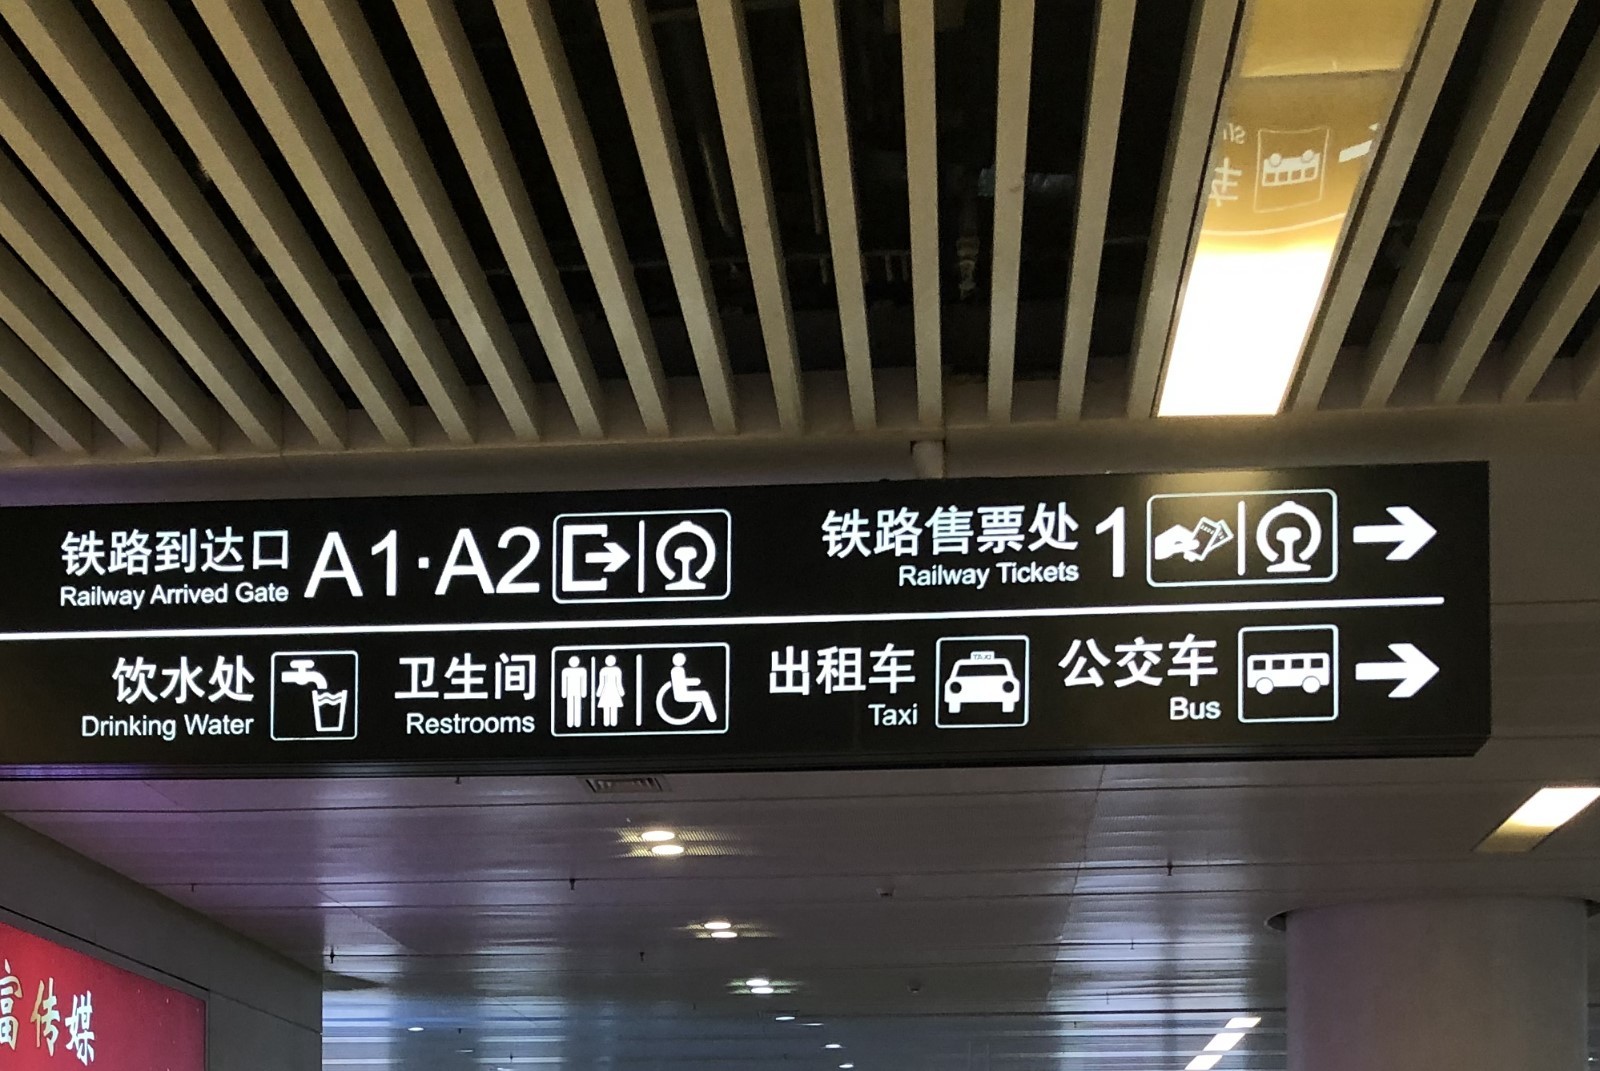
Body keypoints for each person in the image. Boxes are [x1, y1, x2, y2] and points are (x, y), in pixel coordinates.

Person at [665, 652, 716, 723]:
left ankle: (712, 718)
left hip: (683, 693)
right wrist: (695, 681)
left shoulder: (678, 670)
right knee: (704, 695)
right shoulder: (677, 671)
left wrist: (695, 681)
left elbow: (682, 682)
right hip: (681, 695)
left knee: (704, 694)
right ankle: (712, 718)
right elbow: (679, 682)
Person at [597, 655, 626, 728]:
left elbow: (618, 682)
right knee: (606, 706)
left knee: (613, 706)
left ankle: (613, 722)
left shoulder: (617, 670)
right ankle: (606, 722)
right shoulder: (603, 670)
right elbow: (602, 683)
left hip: (613, 690)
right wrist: (599, 692)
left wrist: (621, 691)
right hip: (606, 691)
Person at [560, 656, 588, 728]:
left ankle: (577, 722)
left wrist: (583, 692)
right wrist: (564, 693)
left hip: (578, 691)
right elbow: (564, 682)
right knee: (570, 706)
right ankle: (570, 722)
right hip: (570, 692)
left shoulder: (582, 671)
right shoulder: (565, 671)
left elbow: (583, 682)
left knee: (577, 706)